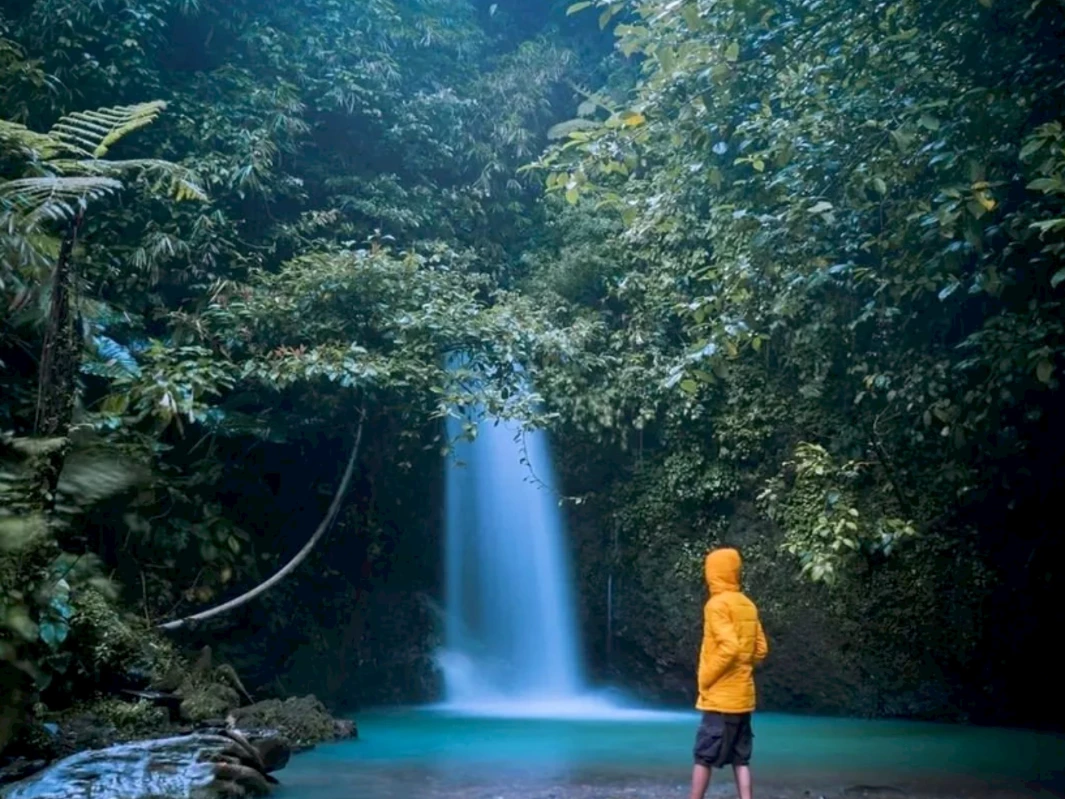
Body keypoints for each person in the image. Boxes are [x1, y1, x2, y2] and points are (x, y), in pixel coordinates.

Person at [690, 547, 769, 799]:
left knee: (703, 756)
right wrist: (744, 667)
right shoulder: (747, 604)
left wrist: (706, 678)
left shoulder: (716, 605)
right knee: (741, 758)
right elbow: (761, 649)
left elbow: (730, 647)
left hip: (720, 699)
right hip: (743, 697)